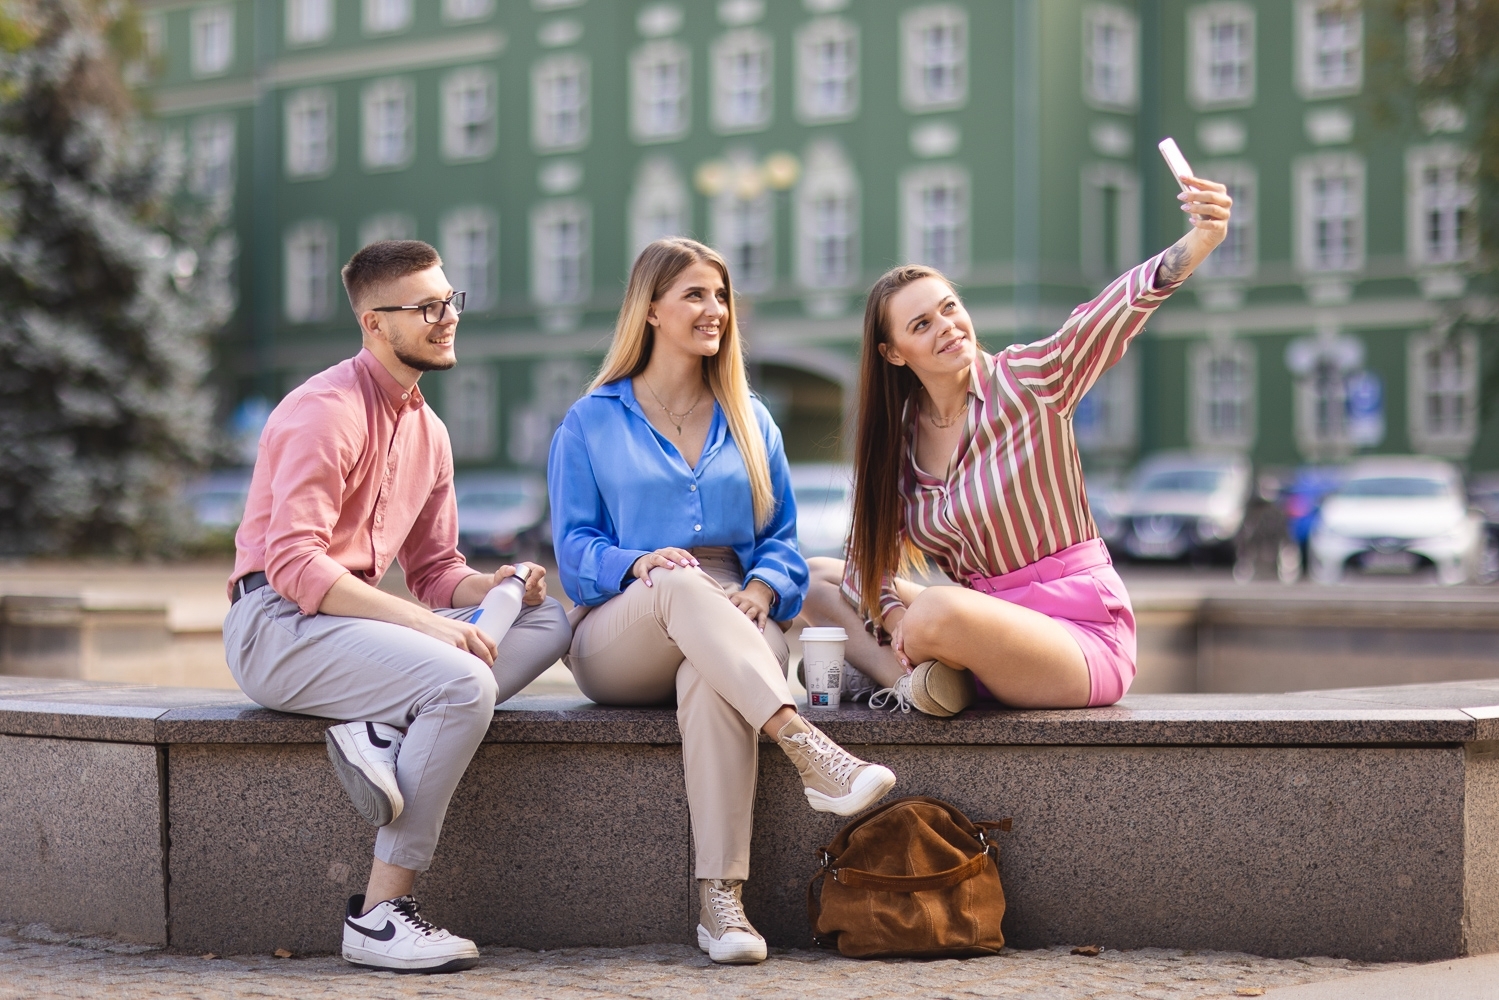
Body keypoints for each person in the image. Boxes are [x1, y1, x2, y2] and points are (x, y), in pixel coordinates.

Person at [223, 240, 572, 973]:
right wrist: (433, 629)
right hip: (276, 629)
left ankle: (380, 726)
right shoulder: (324, 411)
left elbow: (436, 572)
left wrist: (497, 586)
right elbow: (291, 564)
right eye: (426, 307)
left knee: (547, 620)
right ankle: (381, 914)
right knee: (461, 679)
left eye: (450, 301)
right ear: (373, 324)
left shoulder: (429, 432)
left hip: (351, 630)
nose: (447, 318)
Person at [548, 238, 897, 966]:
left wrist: (766, 587)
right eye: (694, 296)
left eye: (721, 296)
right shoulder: (591, 419)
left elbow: (782, 540)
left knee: (712, 681)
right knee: (677, 584)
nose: (714, 310)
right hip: (625, 624)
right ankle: (804, 745)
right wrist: (637, 561)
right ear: (649, 311)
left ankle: (721, 903)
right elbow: (575, 553)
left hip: (736, 615)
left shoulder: (751, 418)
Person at [804, 178, 1234, 716]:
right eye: (922, 324)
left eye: (949, 307)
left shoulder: (1030, 379)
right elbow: (868, 566)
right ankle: (915, 684)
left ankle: (918, 674)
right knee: (817, 580)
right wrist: (893, 621)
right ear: (893, 354)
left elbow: (1107, 314)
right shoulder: (900, 444)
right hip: (980, 623)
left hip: (1076, 636)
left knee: (936, 610)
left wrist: (1199, 241)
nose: (948, 327)